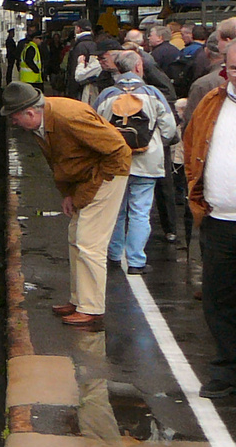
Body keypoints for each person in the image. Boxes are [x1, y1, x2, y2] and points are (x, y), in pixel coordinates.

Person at [2, 81, 131, 328]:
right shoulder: (41, 124)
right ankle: (80, 300)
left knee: (88, 242)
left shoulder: (69, 117)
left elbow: (118, 150)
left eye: (14, 118)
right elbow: (61, 162)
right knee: (76, 237)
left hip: (106, 175)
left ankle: (92, 309)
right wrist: (70, 193)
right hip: (86, 179)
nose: (13, 123)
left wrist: (98, 183)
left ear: (30, 112)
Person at [181, 39, 236, 398]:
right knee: (219, 299)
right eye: (234, 69)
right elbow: (191, 147)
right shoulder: (211, 103)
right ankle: (227, 370)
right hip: (219, 222)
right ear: (224, 68)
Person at [95, 51, 179, 273]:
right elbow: (169, 129)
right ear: (139, 67)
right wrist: (157, 142)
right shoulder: (153, 94)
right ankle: (136, 261)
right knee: (140, 211)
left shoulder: (106, 94)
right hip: (147, 162)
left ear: (118, 69)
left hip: (115, 162)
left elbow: (94, 127)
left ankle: (114, 255)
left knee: (116, 210)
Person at [64, 20, 99, 99]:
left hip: (81, 88)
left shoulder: (80, 46)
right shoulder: (94, 44)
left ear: (78, 29)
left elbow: (74, 69)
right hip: (90, 84)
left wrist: (72, 92)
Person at [17, 23, 44, 89]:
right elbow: (28, 60)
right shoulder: (31, 48)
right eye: (39, 38)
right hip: (31, 79)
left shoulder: (32, 47)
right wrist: (36, 70)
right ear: (34, 39)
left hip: (31, 79)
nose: (41, 40)